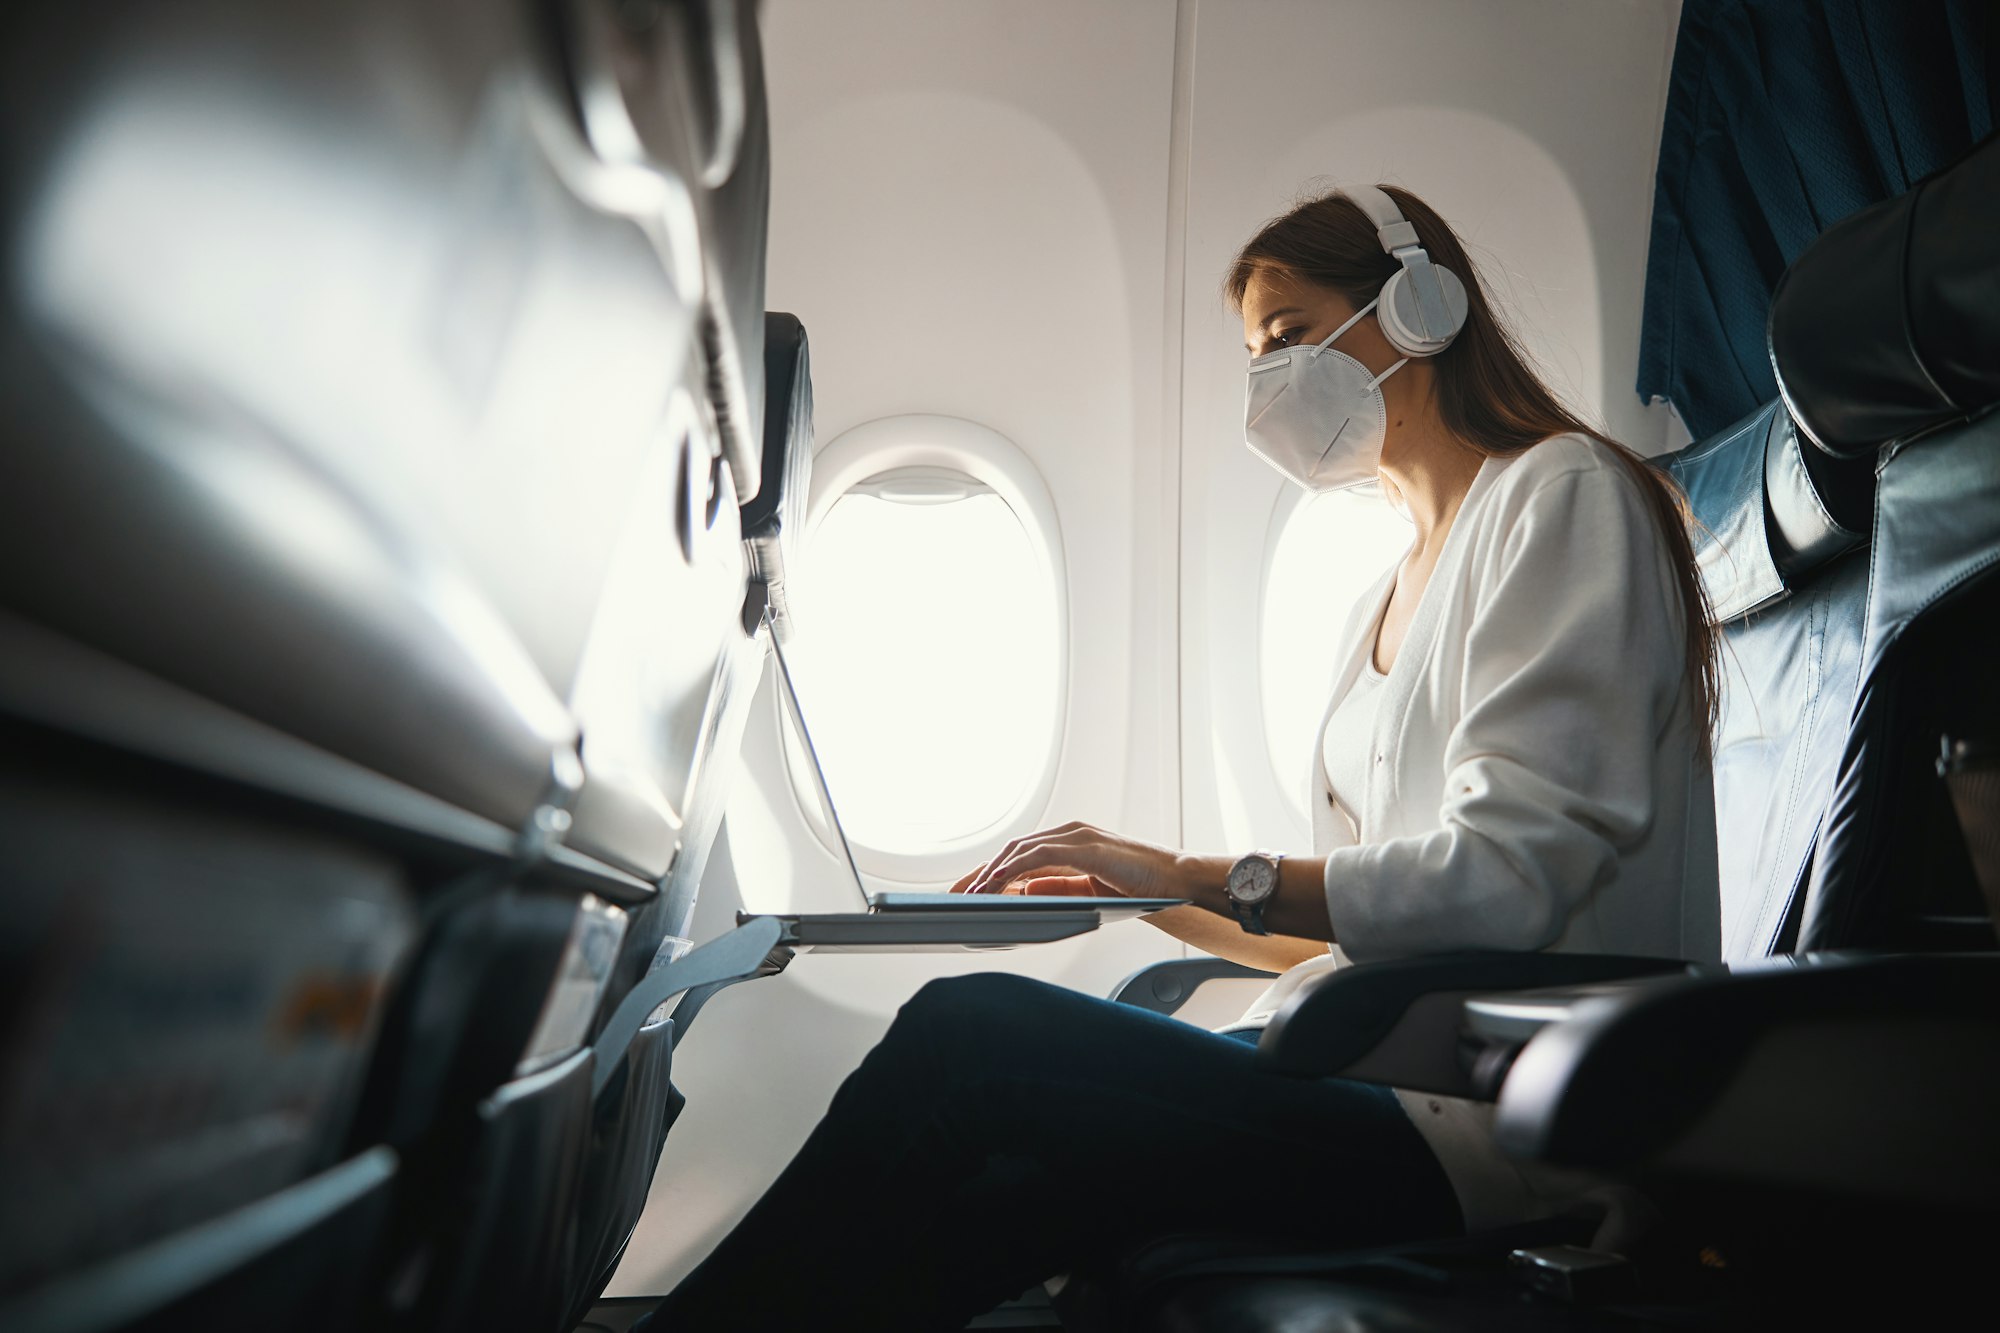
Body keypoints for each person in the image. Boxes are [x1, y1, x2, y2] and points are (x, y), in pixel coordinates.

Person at [636, 184, 1721, 1331]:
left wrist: (1195, 869)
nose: (1268, 383)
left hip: (1500, 1123)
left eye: (1292, 336)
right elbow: (1371, 914)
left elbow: (1495, 885)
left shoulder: (1562, 498)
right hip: (1379, 1074)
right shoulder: (1386, 588)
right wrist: (1140, 892)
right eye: (1255, 354)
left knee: (972, 1036)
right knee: (996, 1199)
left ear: (1419, 307)